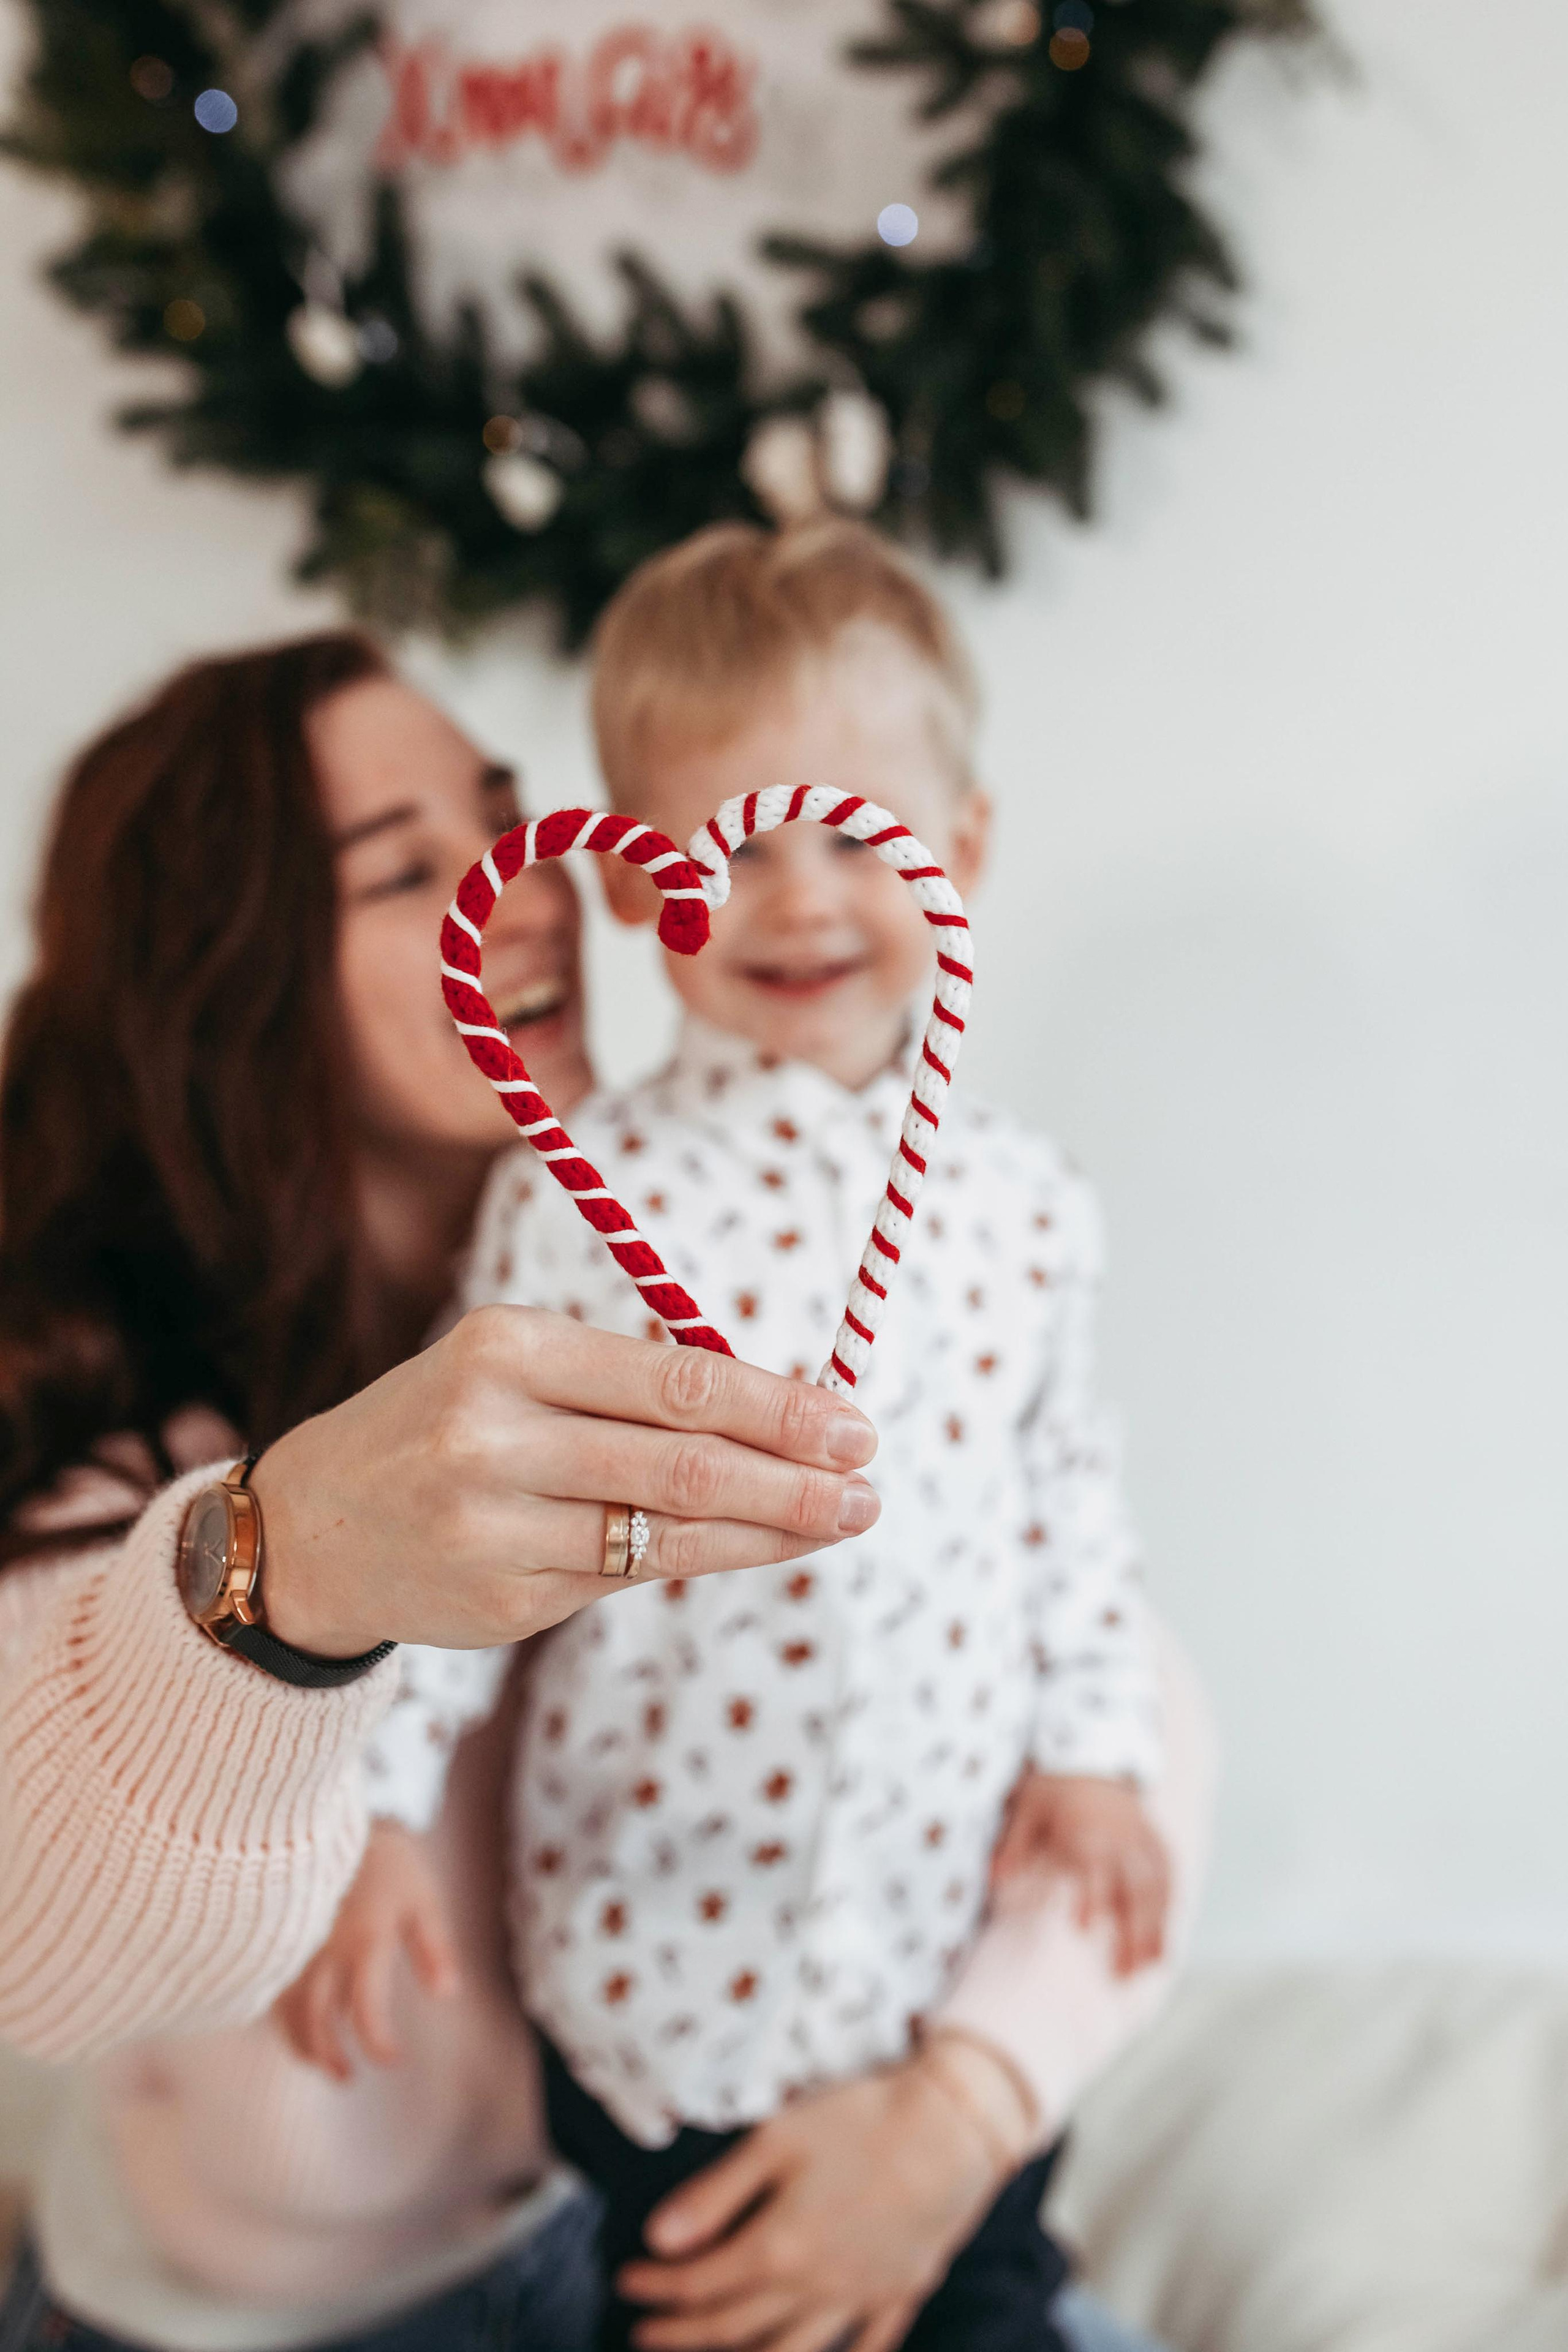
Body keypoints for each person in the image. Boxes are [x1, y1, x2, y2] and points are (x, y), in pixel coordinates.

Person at [0, 631, 1207, 2352]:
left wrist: (962, 2109)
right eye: (409, 872)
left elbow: (1103, 1682)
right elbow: (53, 1951)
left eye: (504, 820)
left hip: (667, 2193)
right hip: (283, 2321)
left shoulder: (751, 1255)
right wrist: (285, 1580)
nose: (527, 894)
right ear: (237, 979)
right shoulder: (114, 1426)